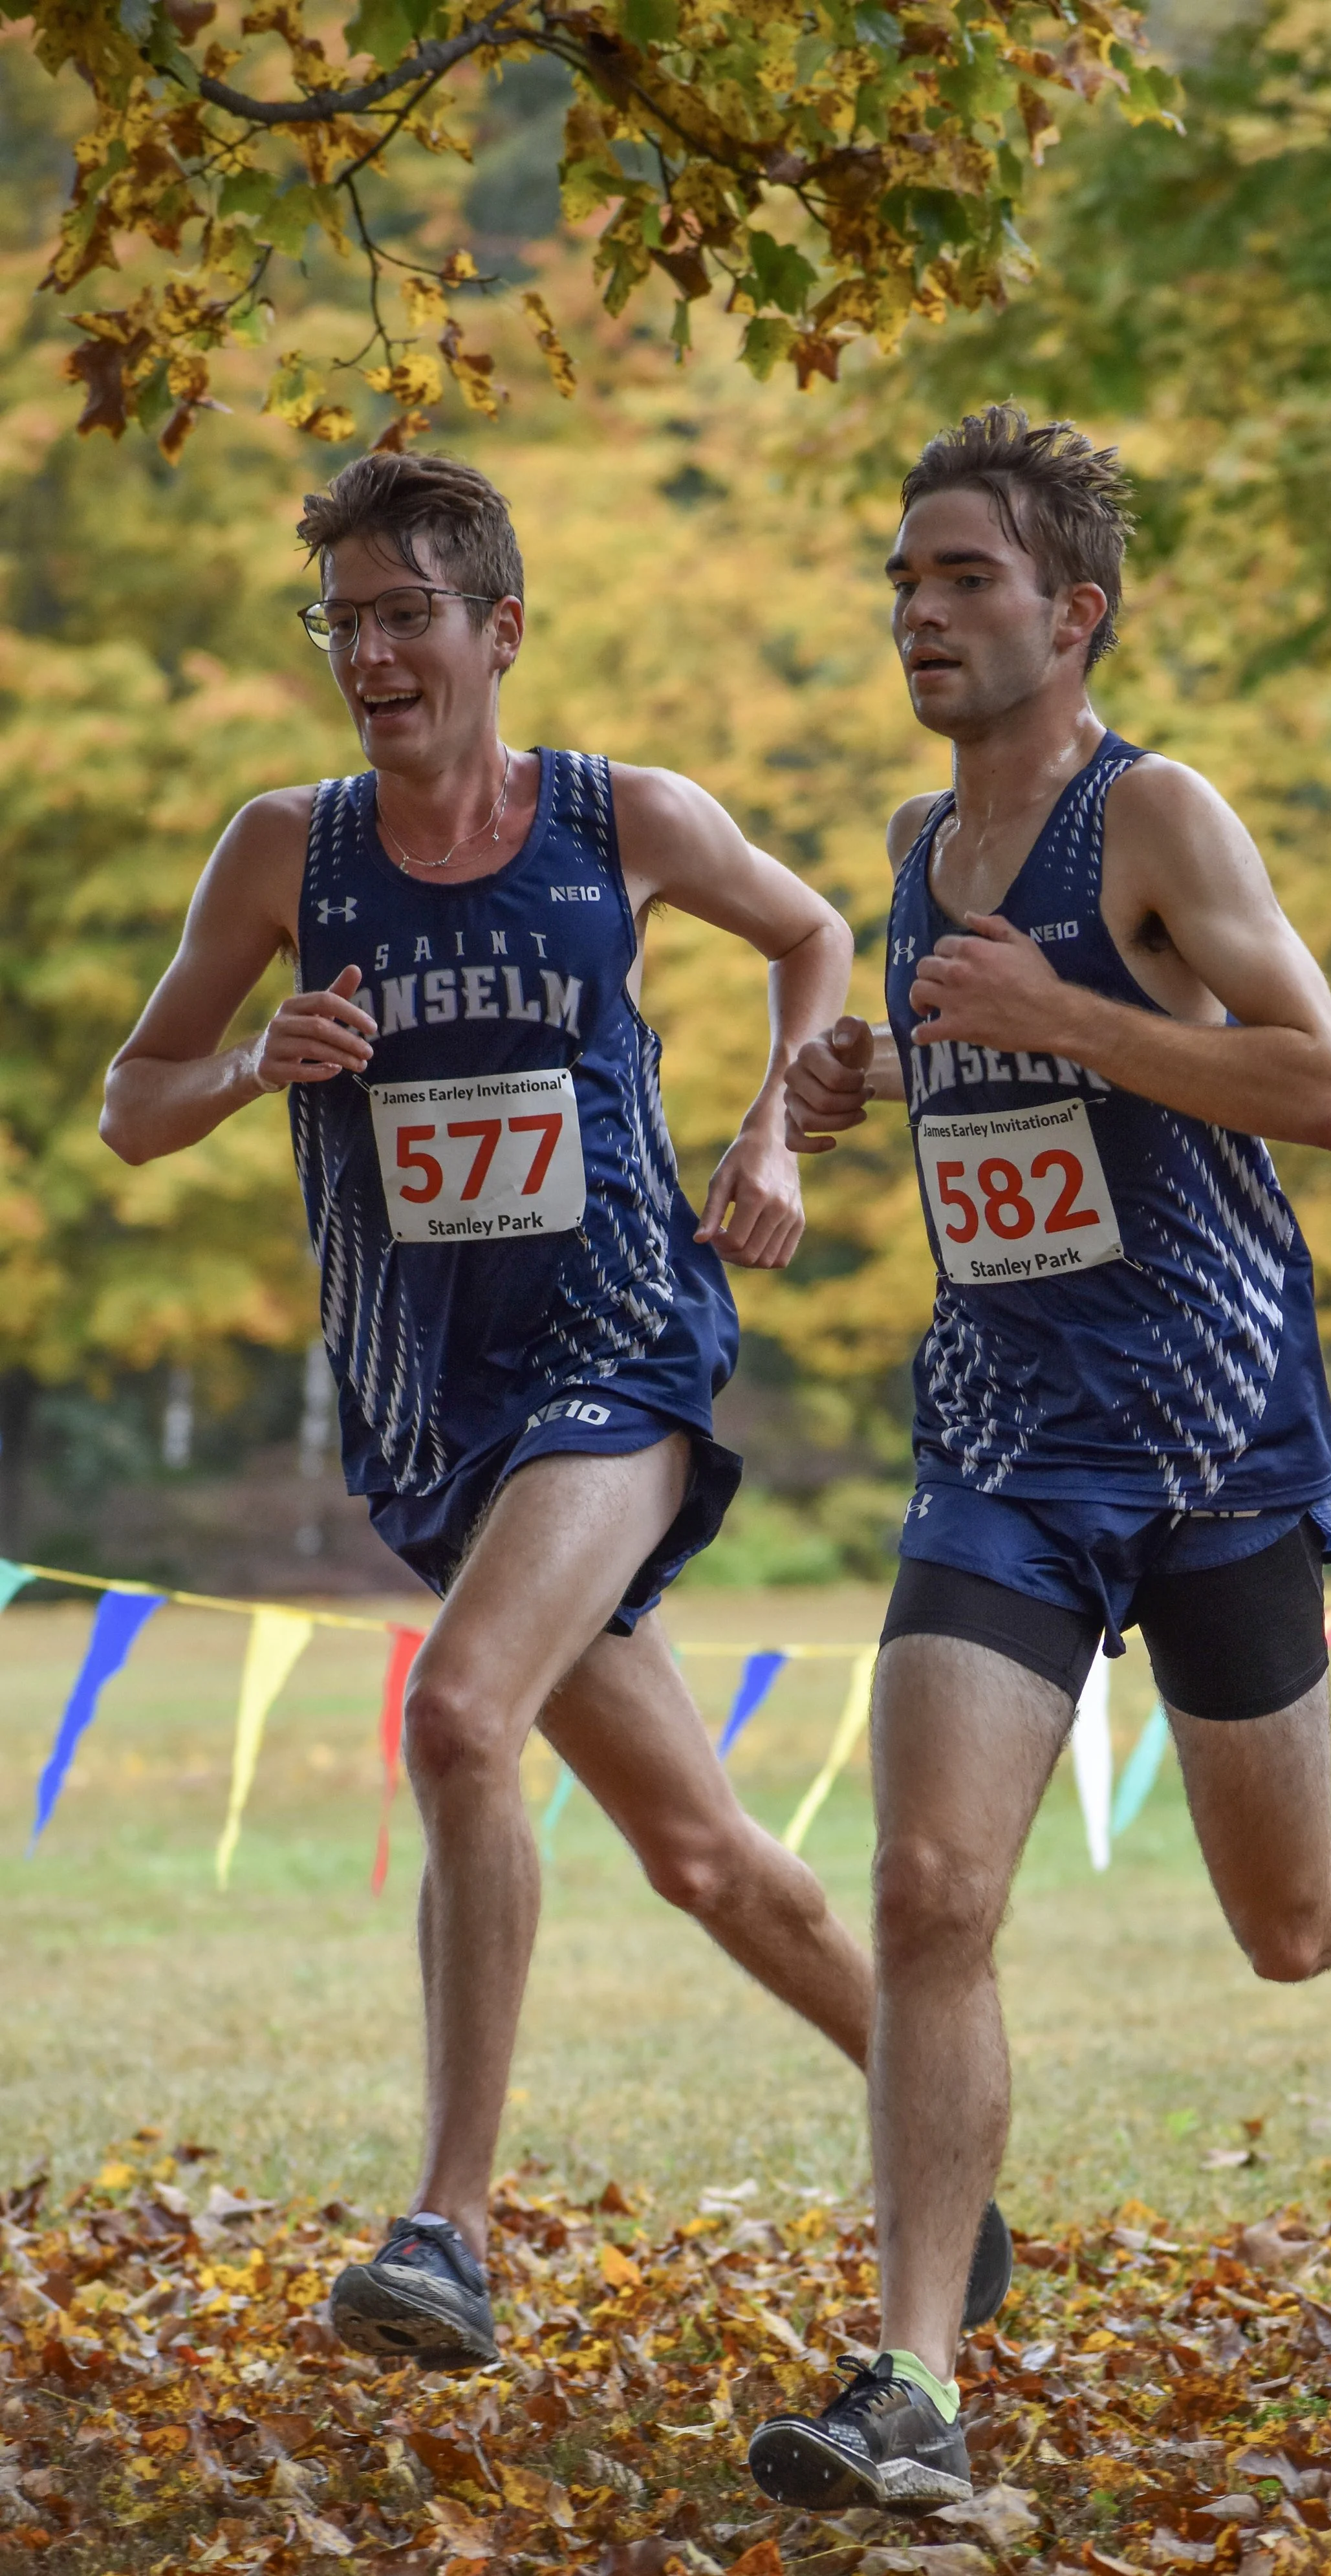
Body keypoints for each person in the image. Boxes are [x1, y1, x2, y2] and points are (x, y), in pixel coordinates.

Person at [100, 449, 1013, 2370]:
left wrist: (774, 1125)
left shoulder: (623, 817)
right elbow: (132, 1103)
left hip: (618, 1351)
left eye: (404, 615)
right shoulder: (287, 850)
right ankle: (960, 2154)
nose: (369, 654)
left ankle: (447, 2228)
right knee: (699, 1855)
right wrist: (261, 1057)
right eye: (340, 620)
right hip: (431, 1403)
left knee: (452, 1712)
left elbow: (812, 939)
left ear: (496, 629)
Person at [747, 404, 1331, 2512]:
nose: (918, 611)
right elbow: (987, 1078)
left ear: (1073, 613)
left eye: (963, 578)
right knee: (924, 1892)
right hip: (1000, 1440)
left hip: (1207, 1446)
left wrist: (1069, 1017)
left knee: (1282, 1920)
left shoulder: (1157, 819)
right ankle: (912, 2380)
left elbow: (1327, 1092)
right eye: (901, 578)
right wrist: (863, 1072)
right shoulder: (912, 851)